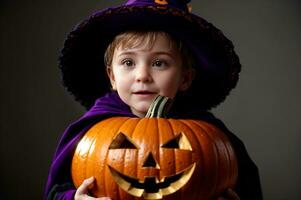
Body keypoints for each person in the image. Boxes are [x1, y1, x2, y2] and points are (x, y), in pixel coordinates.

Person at [44, 0, 263, 200]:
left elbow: (242, 187)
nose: (142, 75)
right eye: (129, 62)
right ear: (112, 76)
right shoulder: (94, 129)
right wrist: (74, 198)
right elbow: (55, 192)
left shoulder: (207, 132)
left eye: (159, 63)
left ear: (185, 78)